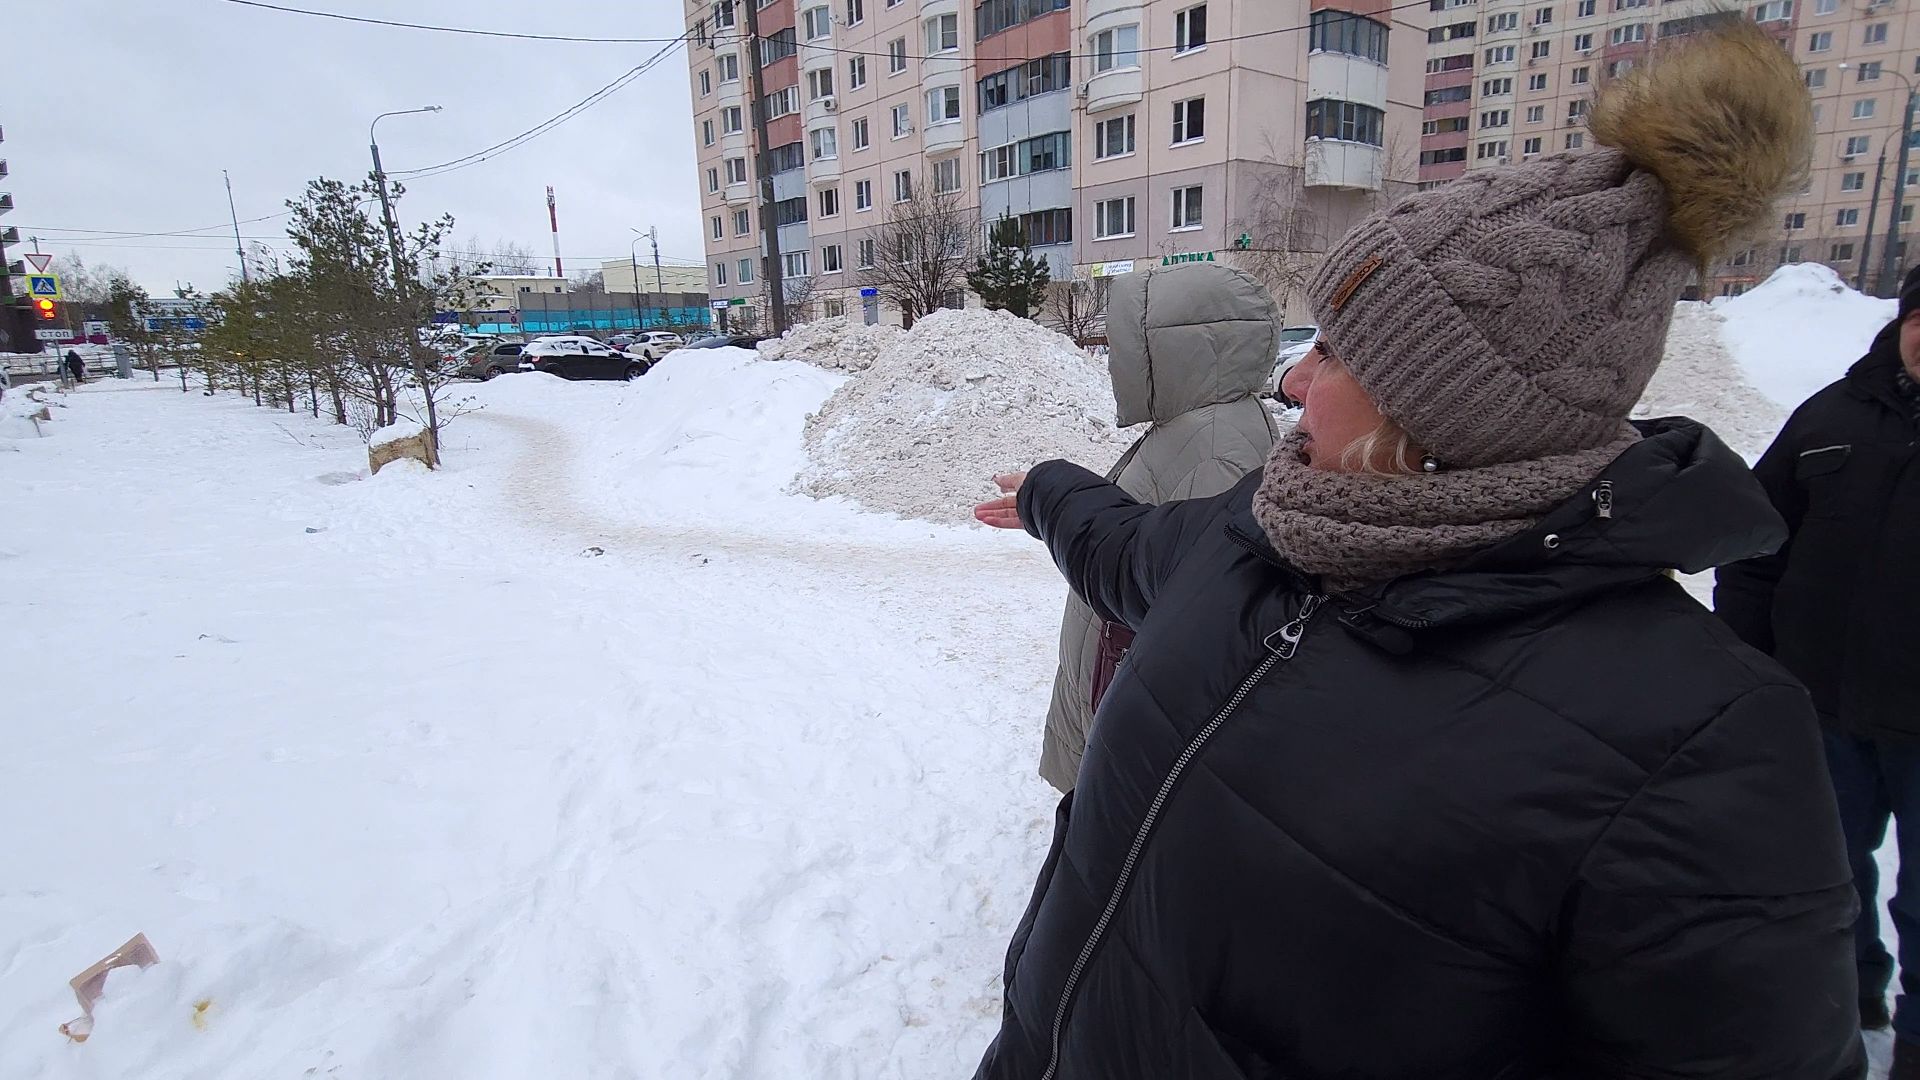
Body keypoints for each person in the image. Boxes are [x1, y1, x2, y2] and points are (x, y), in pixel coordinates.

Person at [969, 23, 1861, 1079]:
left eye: (1337, 353)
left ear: (1447, 408)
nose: (1294, 382)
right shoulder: (1270, 526)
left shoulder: (1701, 745)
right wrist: (1050, 497)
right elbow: (1132, 549)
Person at [1717, 263, 1920, 1074]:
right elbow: (1755, 546)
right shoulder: (1830, 416)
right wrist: (1746, 664)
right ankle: (1855, 996)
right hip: (1823, 705)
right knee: (1827, 877)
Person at [1040, 262, 1280, 793]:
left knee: (1113, 824)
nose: (1113, 361)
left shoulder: (1220, 446)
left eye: (1128, 342)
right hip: (1117, 659)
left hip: (1129, 673)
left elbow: (1195, 610)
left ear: (1177, 347)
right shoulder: (1191, 425)